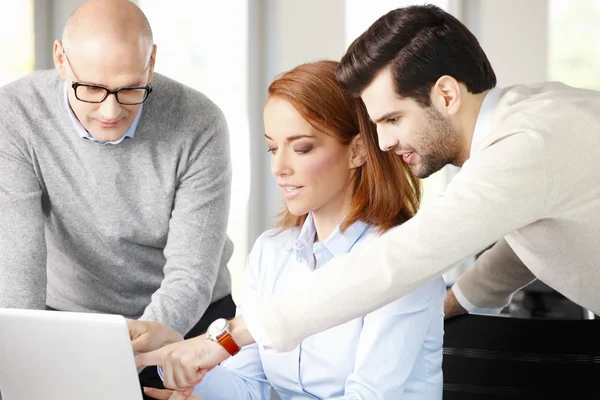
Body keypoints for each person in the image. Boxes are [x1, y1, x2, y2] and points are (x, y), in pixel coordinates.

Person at [132, 3, 600, 394]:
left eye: (393, 119)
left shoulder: (526, 145)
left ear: (446, 94)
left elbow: (399, 261)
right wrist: (457, 300)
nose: (382, 143)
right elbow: (532, 237)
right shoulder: (534, 120)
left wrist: (226, 340)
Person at [134, 60, 444, 400]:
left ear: (357, 150)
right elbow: (249, 386)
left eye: (301, 148)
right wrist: (178, 356)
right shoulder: (271, 252)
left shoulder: (401, 262)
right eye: (272, 148)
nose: (278, 168)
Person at [0, 0, 235, 397]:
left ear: (151, 62)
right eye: (90, 88)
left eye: (130, 89)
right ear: (61, 59)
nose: (110, 111)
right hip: (70, 323)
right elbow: (17, 269)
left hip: (187, 323)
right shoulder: (16, 114)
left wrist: (129, 355)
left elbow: (190, 275)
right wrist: (23, 359)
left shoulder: (200, 123)